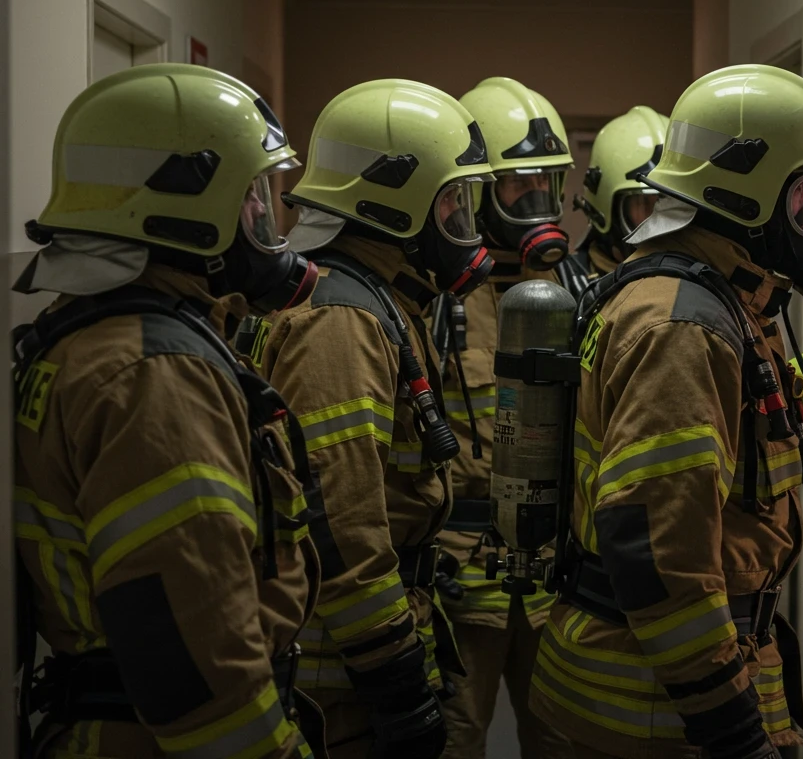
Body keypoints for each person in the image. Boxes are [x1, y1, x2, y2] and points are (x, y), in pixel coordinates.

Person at [529, 64, 803, 759]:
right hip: (647, 711)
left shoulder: (714, 295)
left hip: (667, 694)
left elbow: (748, 430)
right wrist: (731, 730)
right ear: (745, 195)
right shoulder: (682, 325)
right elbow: (657, 552)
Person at [12, 63, 322, 758]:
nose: (264, 222)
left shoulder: (95, 333)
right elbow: (195, 642)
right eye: (251, 198)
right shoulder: (156, 373)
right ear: (188, 204)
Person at [250, 79, 497, 758]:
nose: (462, 223)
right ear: (393, 202)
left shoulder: (373, 301)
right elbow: (342, 524)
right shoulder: (342, 322)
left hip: (361, 647)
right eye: (451, 202)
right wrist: (394, 679)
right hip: (343, 677)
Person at [433, 77, 576, 758]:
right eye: (520, 185)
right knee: (453, 740)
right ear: (476, 193)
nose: (538, 203)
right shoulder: (436, 299)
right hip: (459, 578)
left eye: (547, 185)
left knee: (559, 738)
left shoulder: (565, 295)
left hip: (550, 579)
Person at [569, 105, 667, 279]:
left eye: (672, 206)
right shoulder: (564, 286)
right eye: (645, 204)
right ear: (606, 212)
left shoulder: (709, 285)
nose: (664, 226)